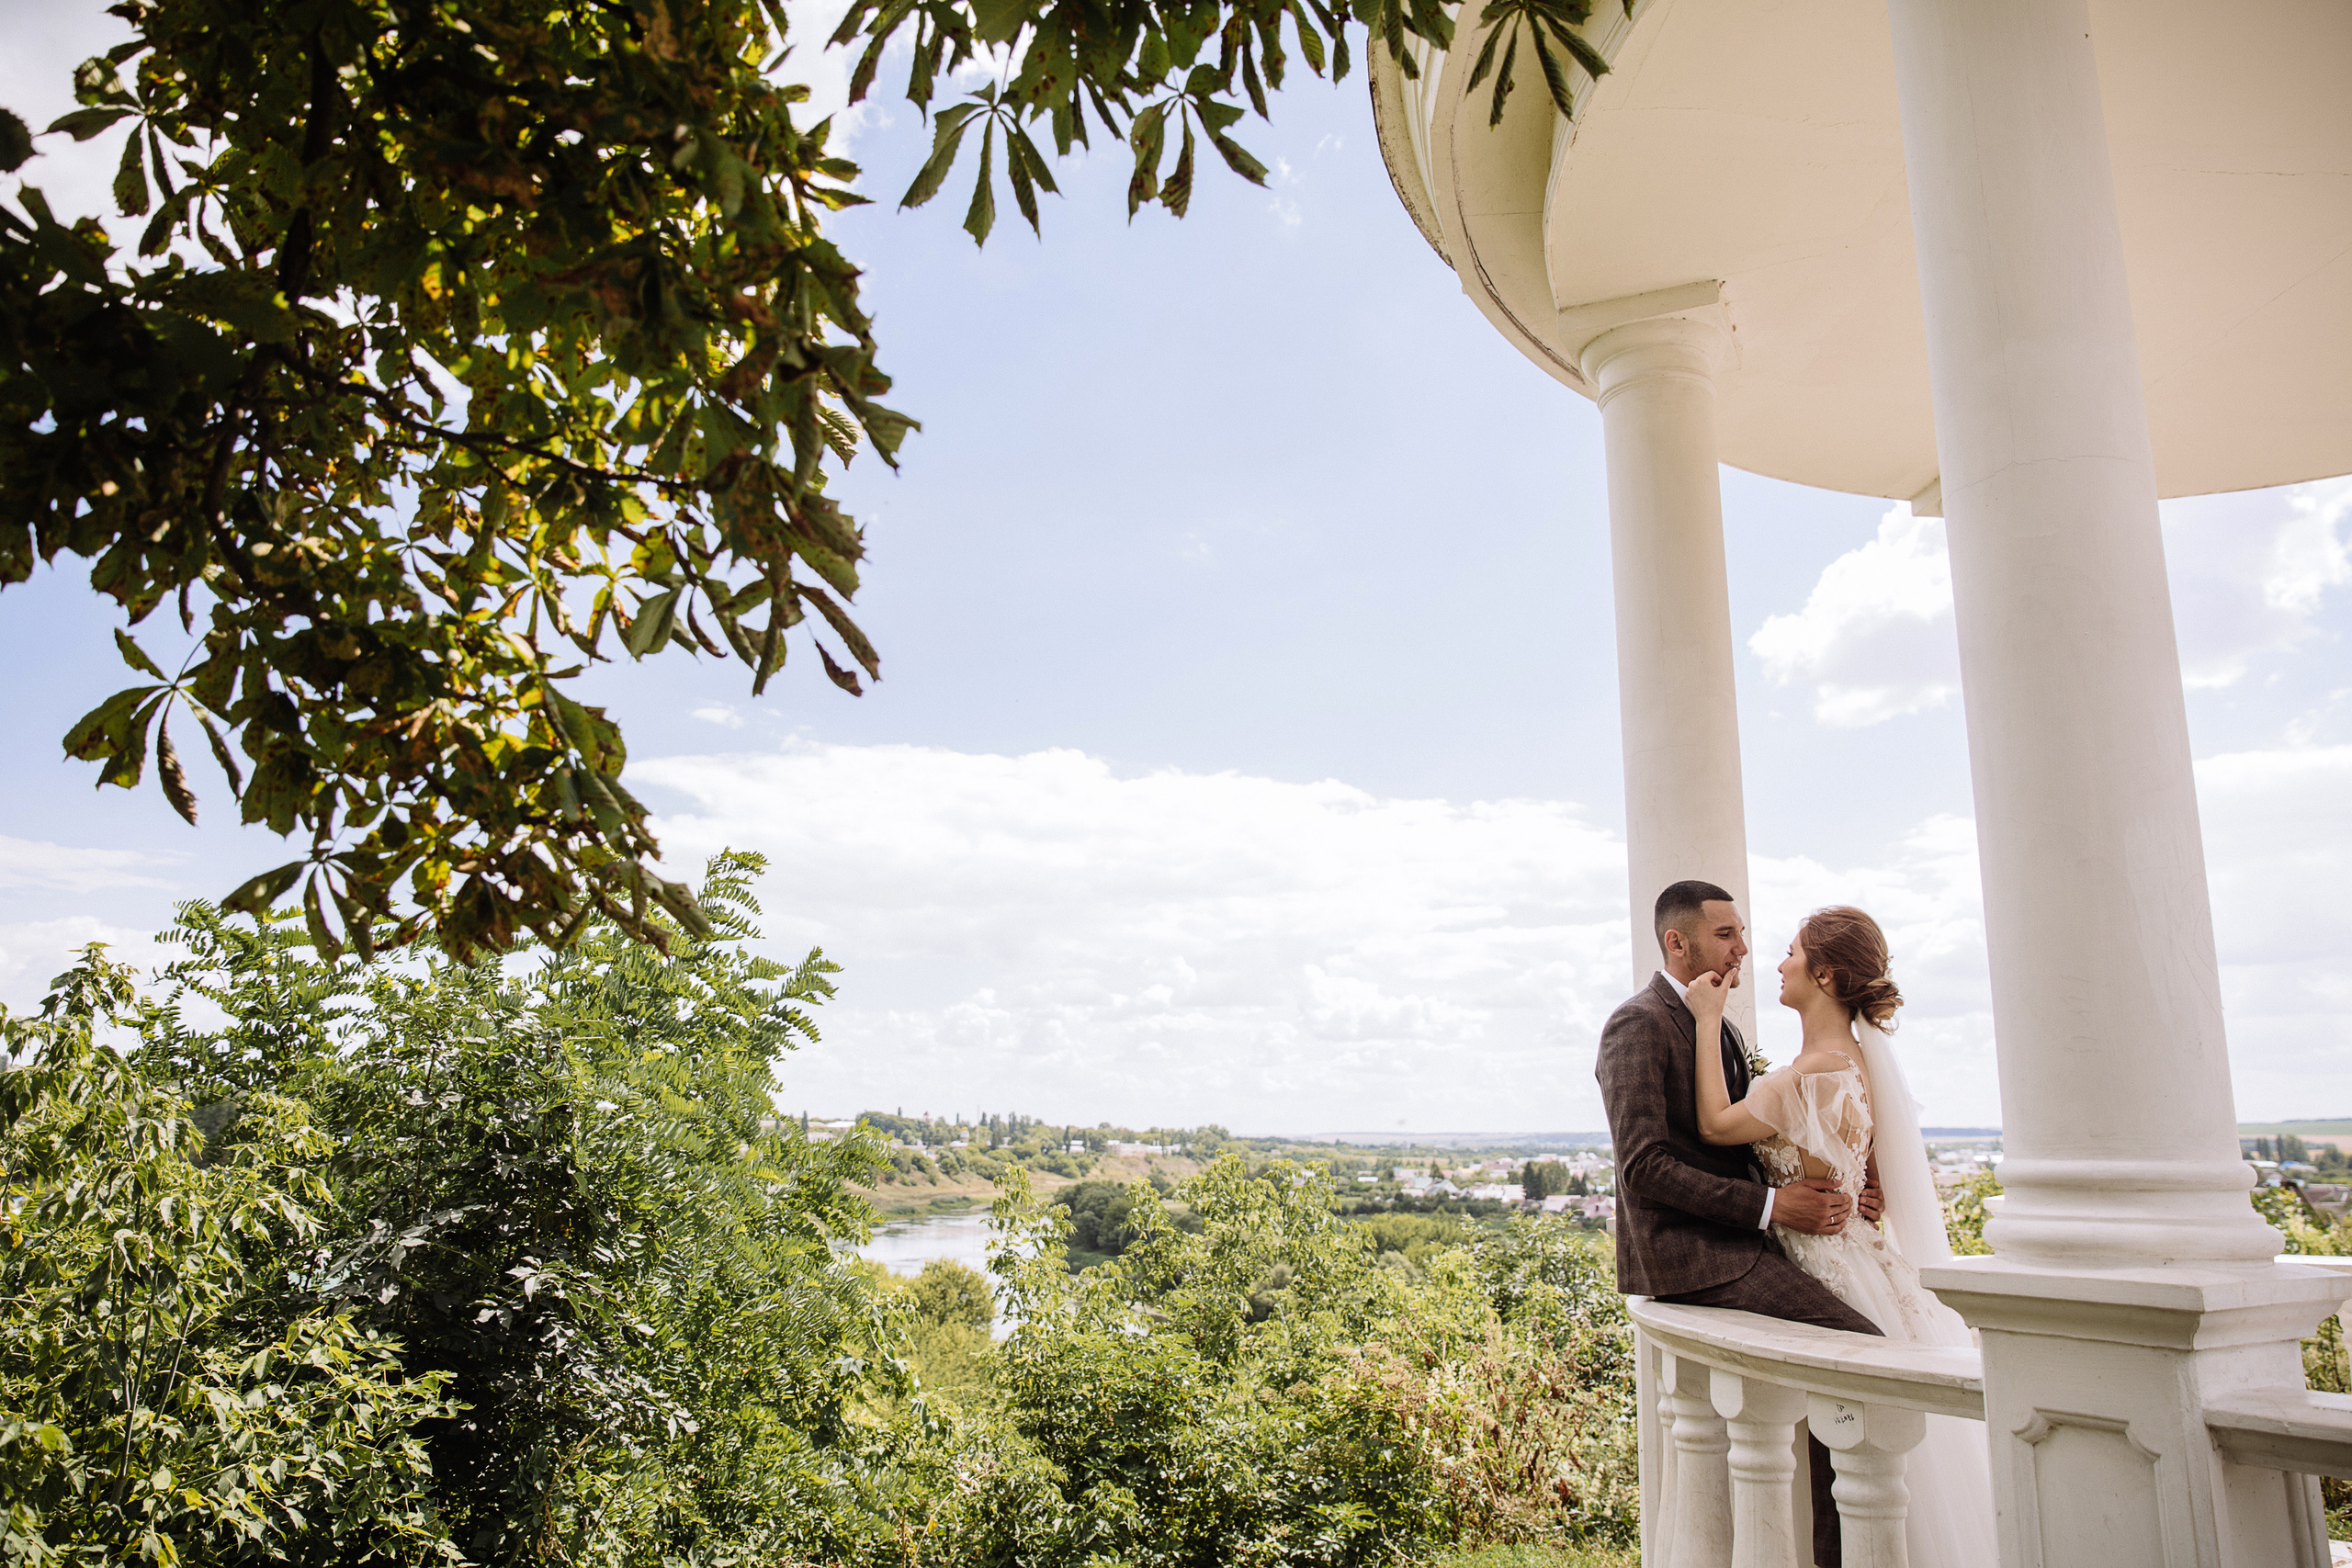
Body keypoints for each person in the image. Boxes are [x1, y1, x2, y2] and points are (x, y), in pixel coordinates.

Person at [1687, 904, 1995, 1568]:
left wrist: (1708, 1020)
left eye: (1792, 952)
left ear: (1824, 974)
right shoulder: (1855, 1062)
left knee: (1844, 1436)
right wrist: (1866, 1189)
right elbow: (1871, 1169)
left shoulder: (1809, 1075)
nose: (1778, 963)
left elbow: (1713, 1124)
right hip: (1861, 1257)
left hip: (1824, 1264)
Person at [1596, 880, 1883, 1568]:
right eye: (1726, 935)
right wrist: (1774, 1206)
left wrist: (1850, 1184)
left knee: (1857, 1359)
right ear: (1678, 942)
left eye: (1744, 934)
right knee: (1859, 1348)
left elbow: (1765, 1137)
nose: (1744, 950)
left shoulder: (1716, 1022)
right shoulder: (1638, 1022)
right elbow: (1644, 1167)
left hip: (1745, 1239)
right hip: (1695, 1253)